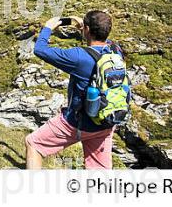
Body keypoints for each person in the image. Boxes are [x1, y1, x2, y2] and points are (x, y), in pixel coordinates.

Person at [25, 10, 121, 169]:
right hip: (106, 121)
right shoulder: (116, 50)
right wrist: (87, 29)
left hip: (77, 123)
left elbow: (40, 50)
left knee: (33, 144)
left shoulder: (78, 56)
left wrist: (48, 28)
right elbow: (103, 40)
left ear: (87, 30)